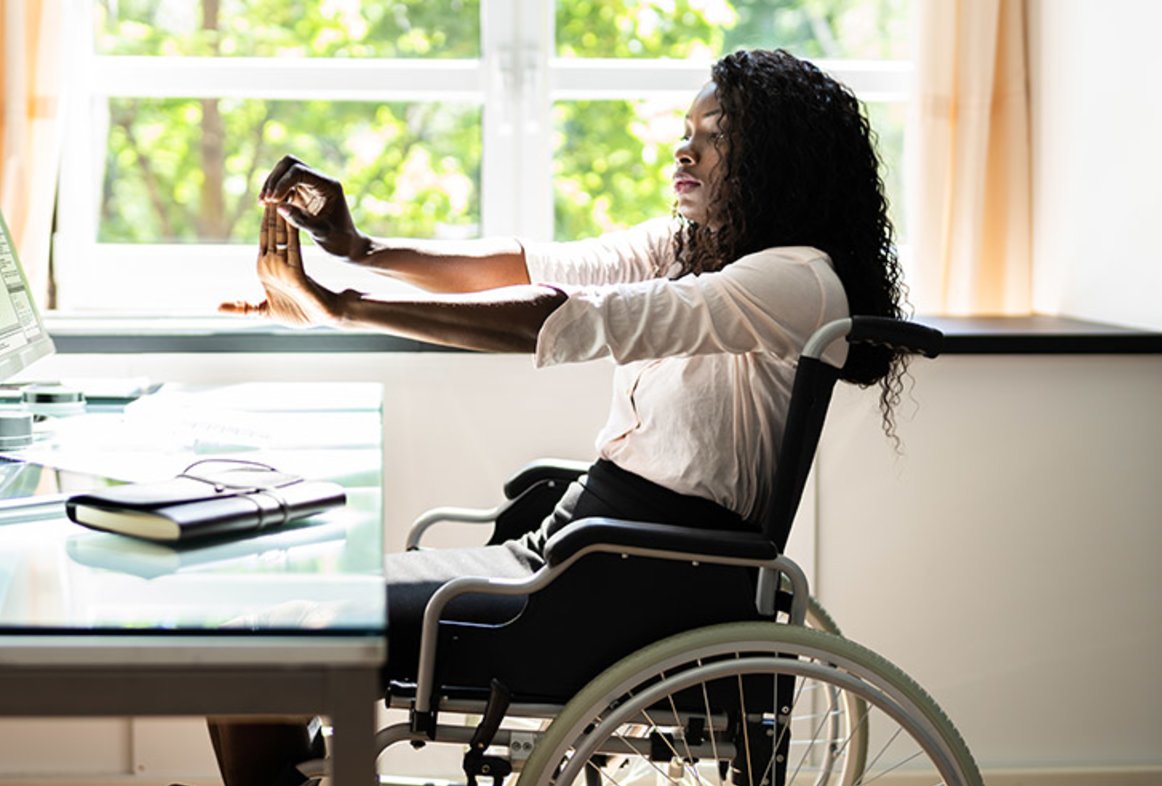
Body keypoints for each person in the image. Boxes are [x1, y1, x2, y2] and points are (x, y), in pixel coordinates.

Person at [206, 48, 908, 786]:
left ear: (781, 155)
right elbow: (531, 268)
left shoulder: (793, 278)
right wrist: (359, 248)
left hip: (618, 584)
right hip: (581, 555)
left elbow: (576, 317)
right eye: (686, 129)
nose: (685, 146)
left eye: (717, 132)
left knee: (256, 641)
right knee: (254, 636)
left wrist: (344, 308)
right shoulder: (690, 249)